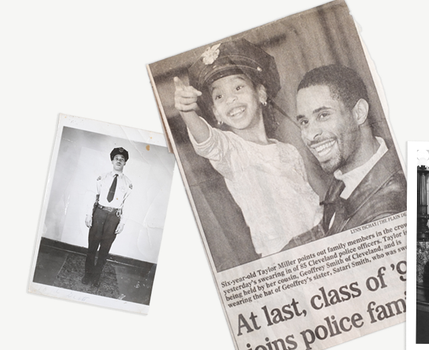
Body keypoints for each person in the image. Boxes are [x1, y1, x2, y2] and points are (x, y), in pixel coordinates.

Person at [174, 39, 321, 256]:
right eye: (219, 96)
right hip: (285, 256)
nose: (230, 99)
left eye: (238, 87)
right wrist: (186, 111)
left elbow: (309, 201)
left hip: (321, 238)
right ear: (216, 113)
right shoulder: (231, 150)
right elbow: (207, 142)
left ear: (261, 94)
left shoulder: (289, 151)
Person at [293, 64, 407, 236]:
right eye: (304, 122)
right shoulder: (347, 173)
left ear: (359, 113)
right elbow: (324, 230)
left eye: (323, 115)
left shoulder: (388, 210)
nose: (310, 135)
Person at [83, 147, 133, 287]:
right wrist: (89, 215)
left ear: (125, 163)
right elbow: (92, 194)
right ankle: (88, 275)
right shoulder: (102, 177)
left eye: (122, 159)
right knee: (92, 246)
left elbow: (127, 204)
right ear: (112, 160)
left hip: (113, 218)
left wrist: (122, 223)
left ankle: (96, 277)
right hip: (99, 213)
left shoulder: (128, 184)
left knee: (104, 249)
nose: (119, 161)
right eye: (116, 158)